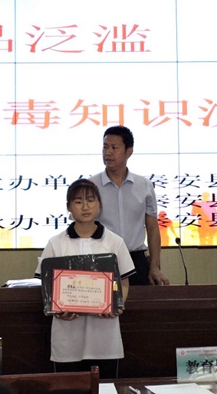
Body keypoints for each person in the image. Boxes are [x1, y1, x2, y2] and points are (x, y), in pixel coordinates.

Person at [35, 179, 134, 379]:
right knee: (68, 388)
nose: (85, 206)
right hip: (67, 337)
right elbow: (47, 286)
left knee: (105, 389)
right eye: (78, 201)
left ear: (99, 204)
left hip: (105, 337)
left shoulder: (114, 242)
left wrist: (116, 305)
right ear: (69, 207)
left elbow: (123, 283)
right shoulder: (56, 243)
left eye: (90, 200)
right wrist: (57, 309)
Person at [91, 126, 168, 286]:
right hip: (101, 259)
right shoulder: (91, 185)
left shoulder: (144, 185)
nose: (108, 153)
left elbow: (152, 227)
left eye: (114, 148)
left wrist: (154, 266)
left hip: (136, 260)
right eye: (105, 147)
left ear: (129, 152)